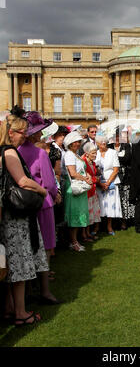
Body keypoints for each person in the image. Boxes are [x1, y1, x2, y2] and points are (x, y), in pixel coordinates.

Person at [0, 110, 49, 325]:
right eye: (22, 132)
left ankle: (11, 308)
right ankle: (20, 312)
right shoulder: (9, 152)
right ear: (11, 132)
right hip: (16, 216)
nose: (25, 136)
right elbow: (22, 181)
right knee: (19, 263)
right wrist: (42, 190)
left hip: (8, 213)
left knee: (10, 263)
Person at [18, 111, 61, 304]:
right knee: (45, 249)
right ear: (36, 134)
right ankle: (44, 290)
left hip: (23, 204)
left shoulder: (16, 152)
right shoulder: (40, 154)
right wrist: (54, 195)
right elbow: (50, 184)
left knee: (27, 247)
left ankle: (26, 290)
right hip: (43, 204)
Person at [63, 131, 92, 251]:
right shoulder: (69, 154)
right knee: (74, 215)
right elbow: (73, 173)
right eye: (76, 141)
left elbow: (81, 170)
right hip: (74, 188)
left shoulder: (76, 155)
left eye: (79, 141)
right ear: (71, 143)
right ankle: (73, 242)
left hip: (80, 187)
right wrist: (85, 178)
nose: (78, 144)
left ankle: (75, 240)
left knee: (79, 214)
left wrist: (88, 175)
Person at [95, 135, 122, 235]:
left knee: (110, 204)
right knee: (98, 204)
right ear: (97, 143)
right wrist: (100, 183)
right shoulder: (95, 153)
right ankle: (97, 226)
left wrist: (108, 182)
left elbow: (116, 169)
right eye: (101, 142)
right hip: (98, 182)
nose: (103, 144)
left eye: (105, 142)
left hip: (111, 181)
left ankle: (109, 226)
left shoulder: (112, 152)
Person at [108, 130, 134, 230]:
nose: (117, 139)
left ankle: (124, 221)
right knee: (114, 199)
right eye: (116, 137)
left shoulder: (126, 146)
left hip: (125, 177)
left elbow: (127, 158)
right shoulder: (109, 147)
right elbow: (110, 160)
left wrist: (116, 158)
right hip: (113, 176)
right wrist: (118, 158)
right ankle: (114, 221)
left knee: (125, 199)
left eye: (119, 137)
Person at [82, 142, 101, 240]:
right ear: (87, 153)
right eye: (93, 153)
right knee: (87, 212)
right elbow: (85, 176)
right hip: (87, 191)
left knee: (91, 213)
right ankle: (84, 234)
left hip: (92, 191)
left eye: (95, 153)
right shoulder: (84, 162)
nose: (95, 155)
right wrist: (95, 179)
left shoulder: (92, 163)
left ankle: (88, 233)